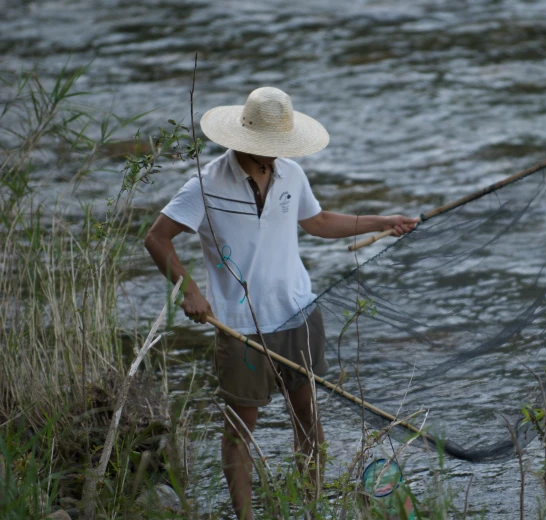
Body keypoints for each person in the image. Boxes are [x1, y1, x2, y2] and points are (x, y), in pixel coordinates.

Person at [144, 87, 418, 520]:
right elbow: (156, 238)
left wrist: (381, 221)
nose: (271, 157)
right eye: (265, 149)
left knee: (307, 420)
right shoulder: (205, 184)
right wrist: (189, 290)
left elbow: (319, 221)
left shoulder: (290, 175)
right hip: (241, 327)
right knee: (240, 430)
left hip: (299, 314)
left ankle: (308, 508)